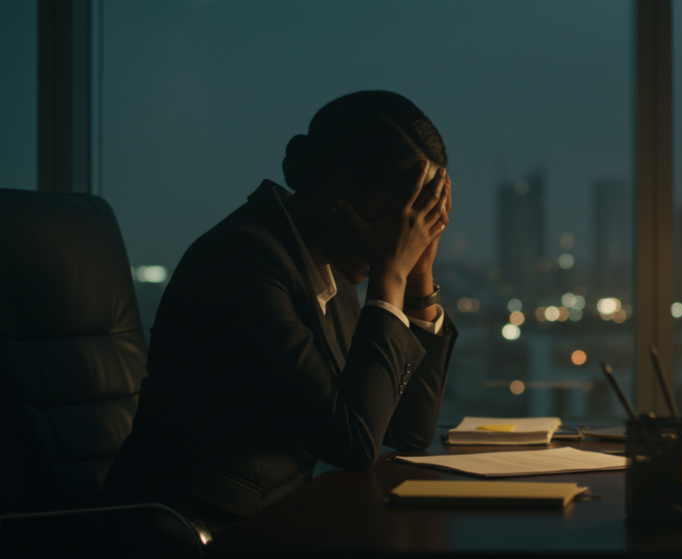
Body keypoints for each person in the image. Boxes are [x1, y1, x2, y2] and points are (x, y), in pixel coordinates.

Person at [102, 91, 457, 535]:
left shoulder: (331, 269)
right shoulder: (241, 262)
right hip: (191, 531)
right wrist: (390, 275)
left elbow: (411, 432)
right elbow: (352, 442)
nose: (401, 233)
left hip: (278, 522)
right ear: (340, 191)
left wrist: (419, 279)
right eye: (400, 213)